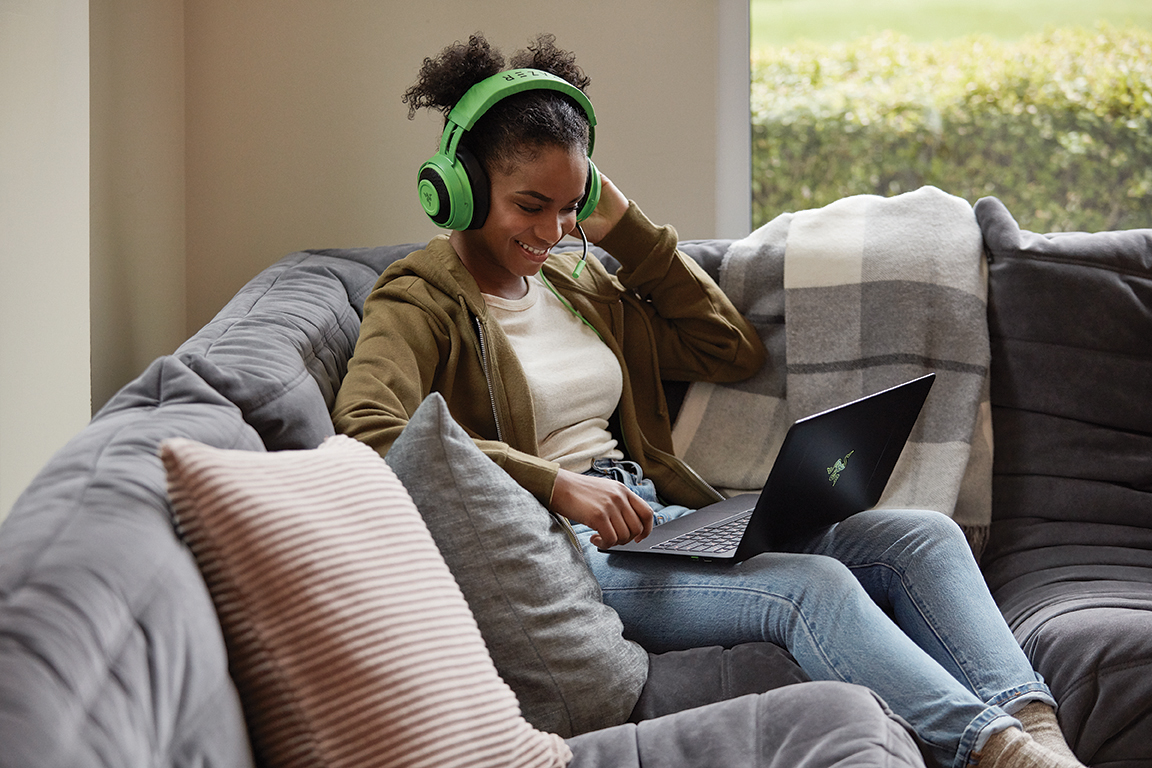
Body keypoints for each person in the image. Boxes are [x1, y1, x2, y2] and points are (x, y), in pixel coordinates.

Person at [332, 32, 1084, 768]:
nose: (553, 230)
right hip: (573, 551)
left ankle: (1039, 734)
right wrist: (557, 484)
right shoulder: (418, 300)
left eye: (570, 205)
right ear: (458, 187)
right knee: (809, 590)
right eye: (531, 205)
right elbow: (369, 432)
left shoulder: (575, 280)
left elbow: (730, 348)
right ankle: (996, 753)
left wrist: (623, 224)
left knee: (921, 535)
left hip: (664, 520)